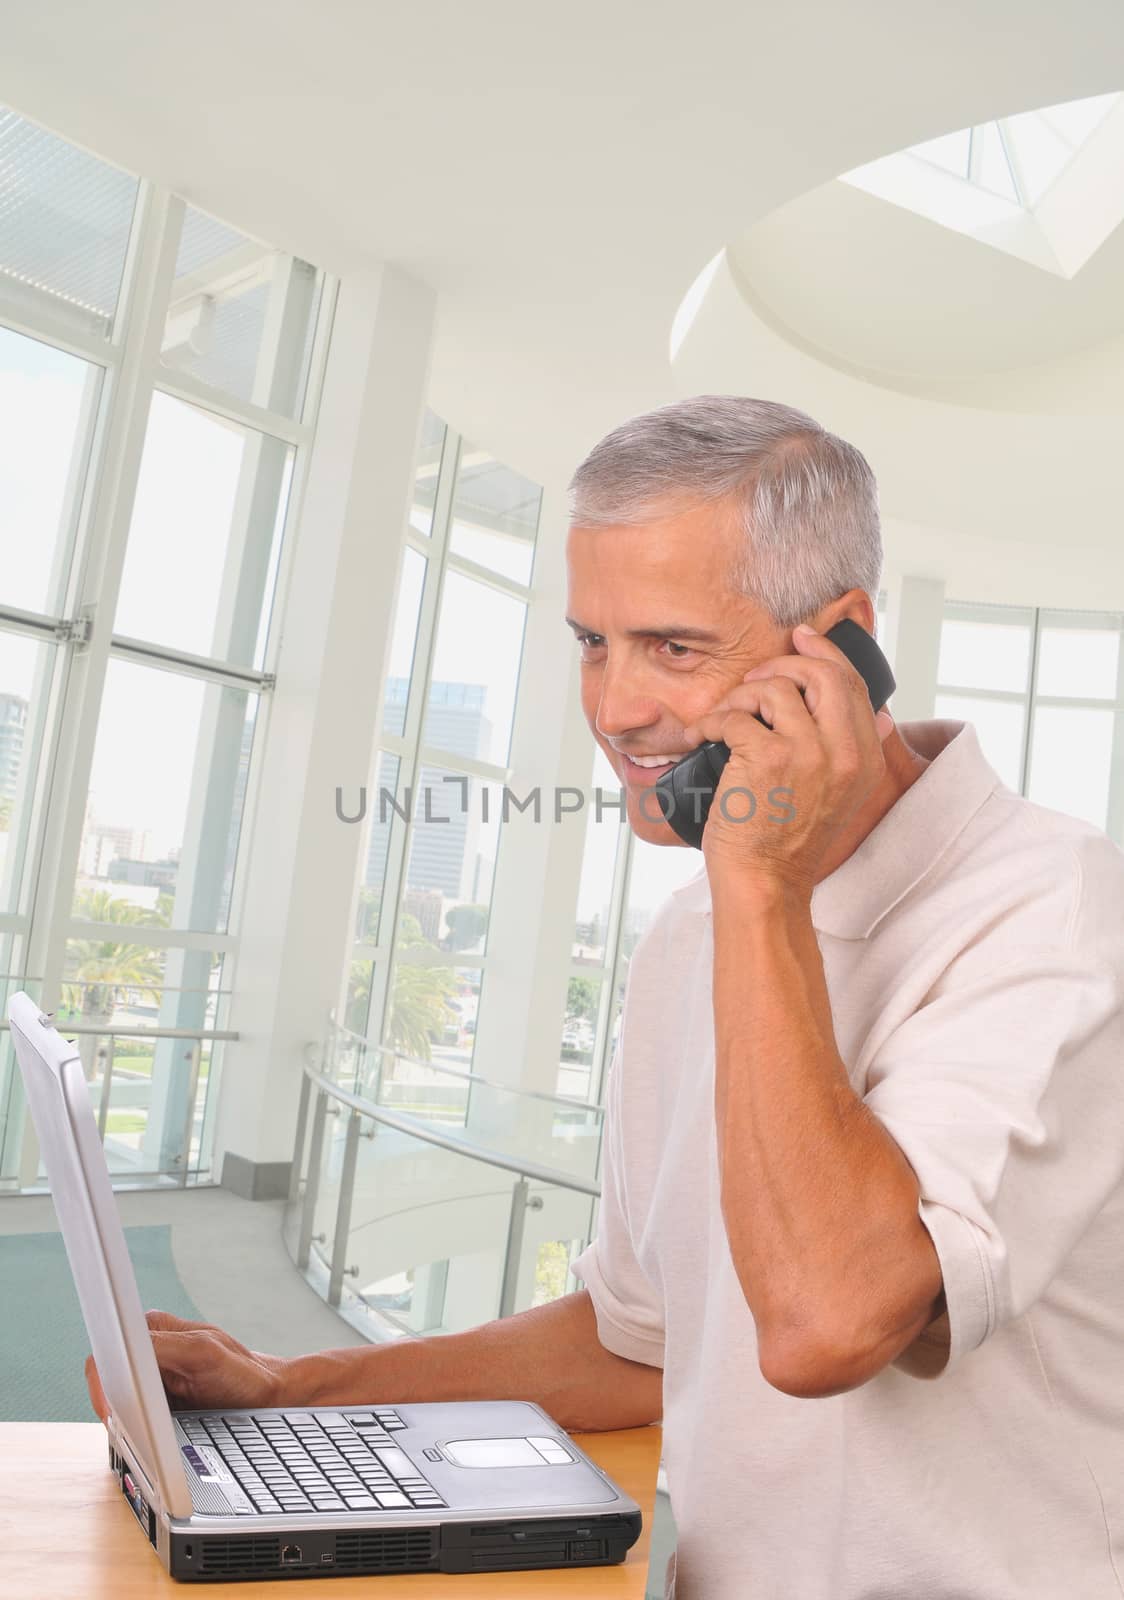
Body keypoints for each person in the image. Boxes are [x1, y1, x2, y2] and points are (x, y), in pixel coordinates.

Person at [87, 396, 1124, 1599]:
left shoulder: (1052, 910)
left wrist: (758, 895)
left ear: (836, 646)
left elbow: (826, 1324)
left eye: (673, 648)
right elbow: (637, 1339)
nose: (616, 707)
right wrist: (294, 1384)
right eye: (593, 641)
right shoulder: (696, 927)